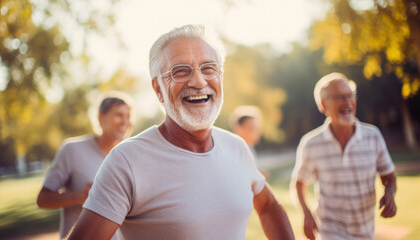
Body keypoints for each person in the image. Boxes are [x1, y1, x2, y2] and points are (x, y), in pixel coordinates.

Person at [67, 24, 294, 240]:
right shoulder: (127, 161)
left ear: (220, 78)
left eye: (208, 68)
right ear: (158, 89)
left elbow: (268, 206)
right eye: (180, 71)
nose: (198, 81)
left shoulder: (236, 147)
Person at [291, 72, 397, 240]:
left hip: (366, 231)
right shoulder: (311, 143)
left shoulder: (373, 136)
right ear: (323, 105)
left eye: (350, 96)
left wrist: (390, 193)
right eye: (340, 97)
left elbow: (389, 176)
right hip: (329, 231)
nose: (348, 102)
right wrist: (306, 213)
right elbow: (299, 183)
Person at [36, 91, 135, 240]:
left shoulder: (129, 157)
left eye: (128, 117)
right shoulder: (72, 150)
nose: (125, 122)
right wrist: (79, 196)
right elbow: (43, 199)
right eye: (119, 115)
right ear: (101, 118)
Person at [230, 105, 269, 179]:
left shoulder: (250, 148)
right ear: (238, 129)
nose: (257, 132)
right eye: (252, 128)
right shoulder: (234, 152)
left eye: (258, 128)